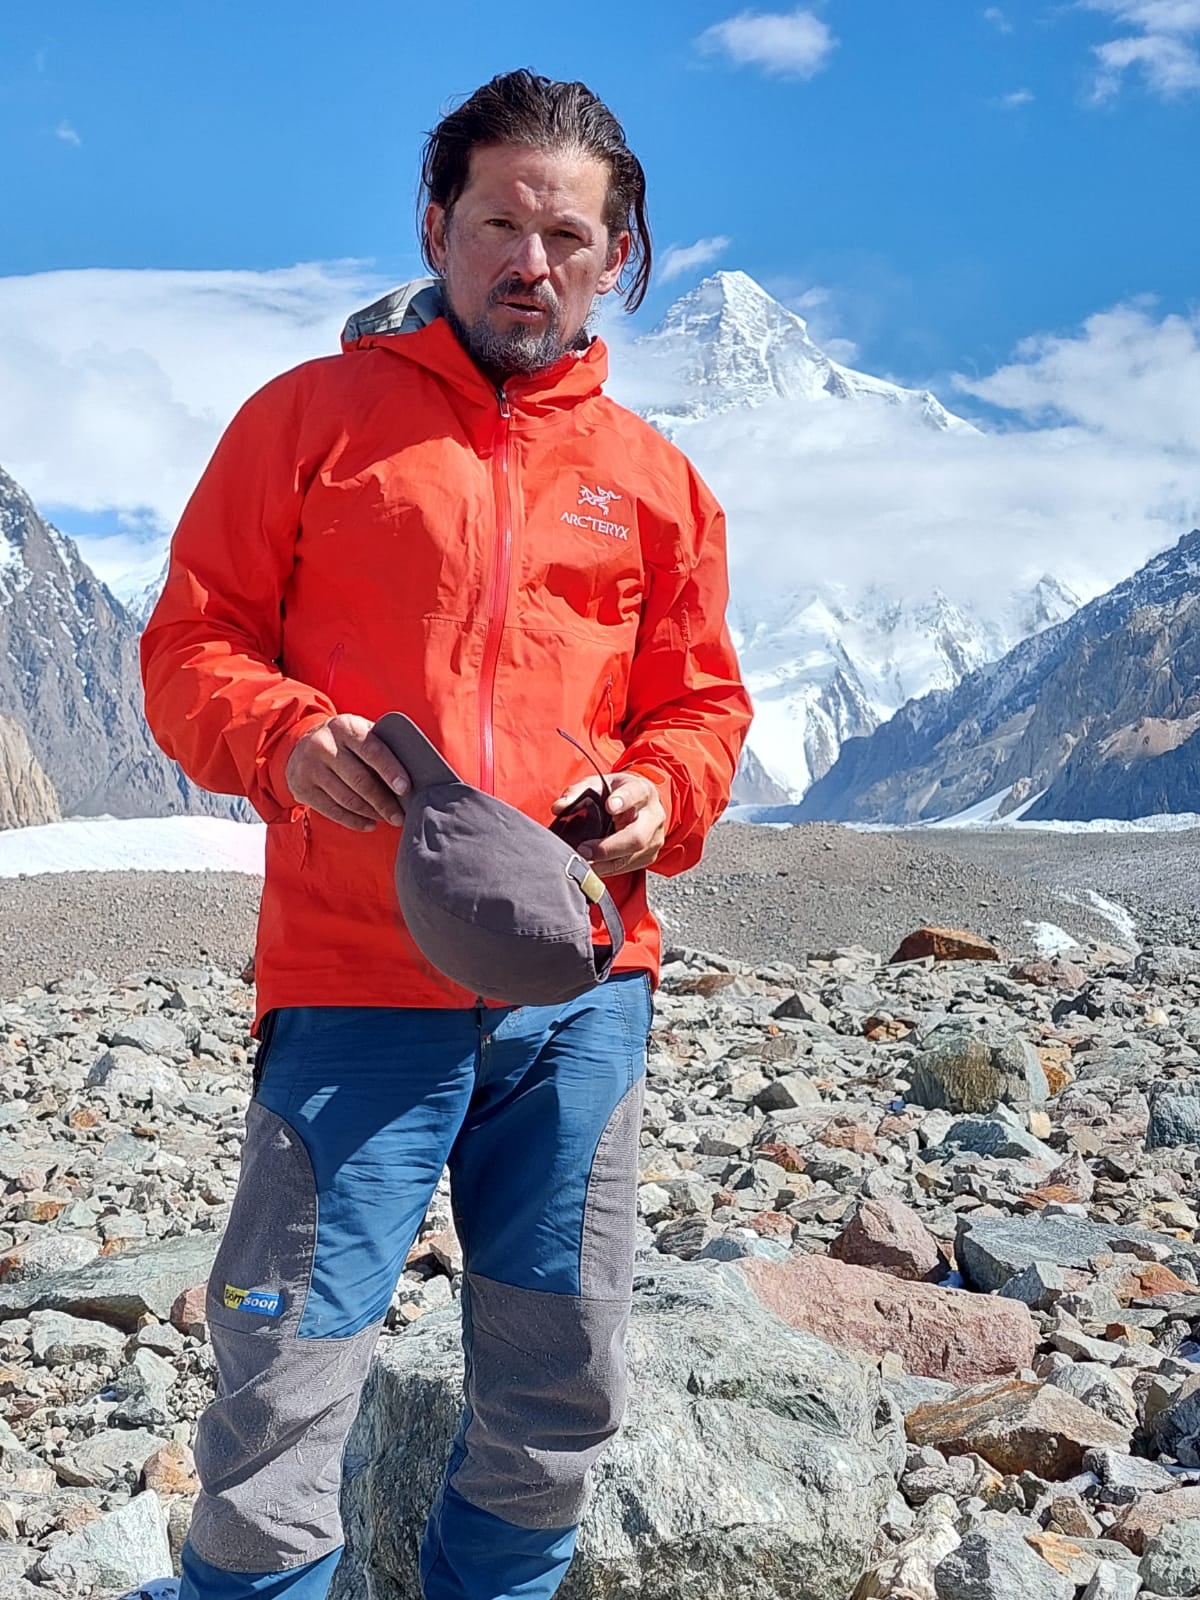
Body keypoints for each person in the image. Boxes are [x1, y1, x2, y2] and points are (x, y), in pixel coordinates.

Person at [137, 68, 751, 1600]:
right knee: (281, 1383)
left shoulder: (657, 487)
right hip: (355, 978)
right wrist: (289, 737)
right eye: (496, 223)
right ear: (436, 224)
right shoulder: (307, 423)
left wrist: (663, 793)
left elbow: (705, 707)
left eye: (566, 235)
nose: (527, 262)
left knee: (559, 1379)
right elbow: (188, 649)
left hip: (580, 995)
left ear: (622, 258)